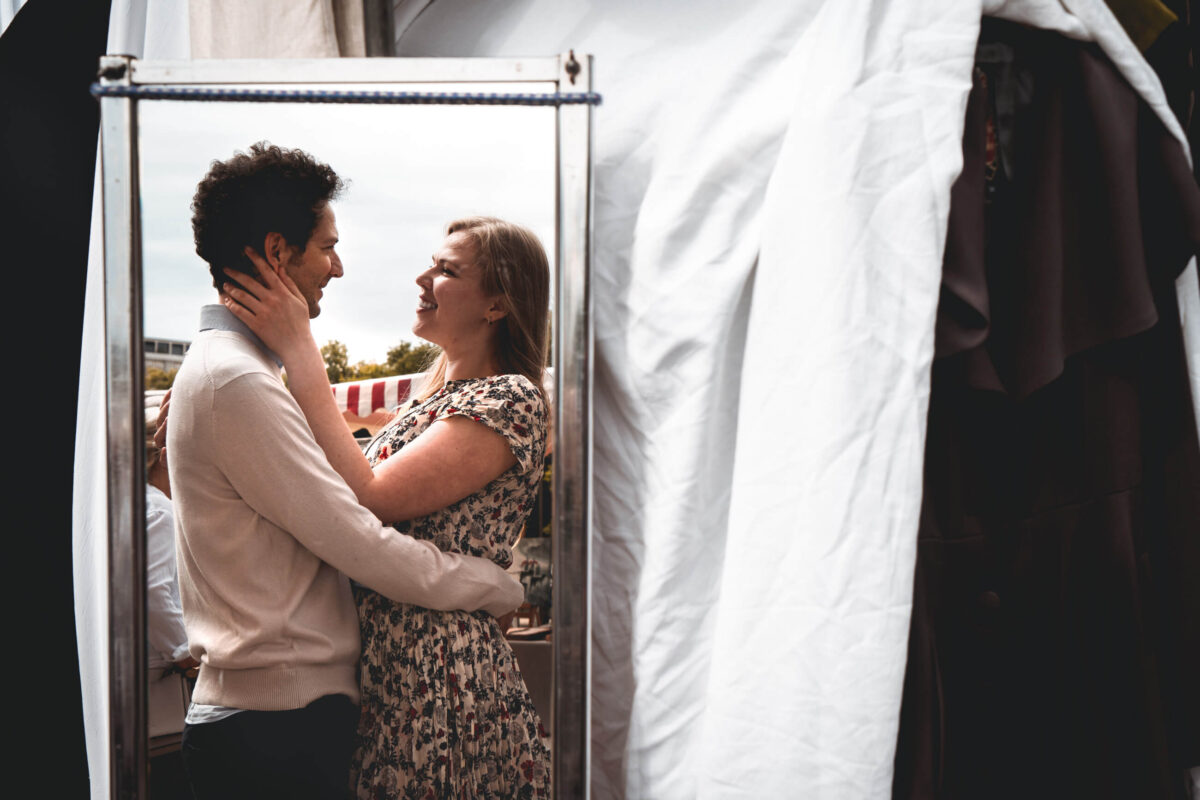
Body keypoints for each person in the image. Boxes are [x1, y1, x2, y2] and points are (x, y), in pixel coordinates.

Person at [167, 143, 524, 800]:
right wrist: (495, 586)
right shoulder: (236, 383)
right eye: (326, 246)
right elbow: (359, 539)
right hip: (275, 728)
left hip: (275, 718)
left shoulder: (233, 376)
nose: (337, 266)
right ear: (278, 252)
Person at [222, 215, 553, 797]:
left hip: (439, 674)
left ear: (497, 304)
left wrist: (301, 347)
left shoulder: (510, 397)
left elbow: (370, 498)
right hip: (387, 663)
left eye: (446, 270)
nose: (423, 277)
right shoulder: (430, 398)